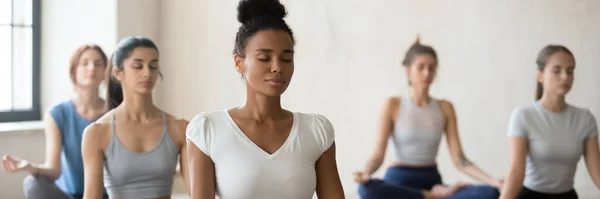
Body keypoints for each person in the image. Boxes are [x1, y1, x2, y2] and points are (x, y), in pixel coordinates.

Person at [185, 0, 345, 198]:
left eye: (286, 58)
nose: (277, 67)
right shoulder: (208, 130)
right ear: (238, 62)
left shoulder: (316, 129)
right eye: (264, 58)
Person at [354, 37, 502, 199]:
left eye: (432, 68)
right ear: (408, 70)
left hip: (431, 179)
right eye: (421, 67)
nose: (427, 73)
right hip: (398, 182)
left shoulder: (445, 108)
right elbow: (378, 155)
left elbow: (460, 160)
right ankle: (429, 196)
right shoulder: (393, 105)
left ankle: (428, 195)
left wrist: (494, 181)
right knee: (366, 189)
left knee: (490, 193)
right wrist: (365, 173)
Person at [81, 36, 190, 199]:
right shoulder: (97, 133)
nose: (147, 73)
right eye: (138, 66)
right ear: (118, 73)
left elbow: (198, 194)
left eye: (153, 67)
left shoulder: (180, 128)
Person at [1, 44, 109, 199]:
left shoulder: (114, 113)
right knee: (32, 183)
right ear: (73, 71)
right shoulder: (58, 113)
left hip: (106, 196)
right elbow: (54, 169)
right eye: (85, 63)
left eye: (98, 64)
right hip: (69, 196)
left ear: (106, 71)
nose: (92, 68)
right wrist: (30, 166)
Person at [500, 45, 600, 199]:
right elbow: (516, 172)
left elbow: (597, 173)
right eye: (557, 70)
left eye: (570, 71)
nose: (565, 77)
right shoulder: (523, 115)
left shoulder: (585, 118)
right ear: (540, 76)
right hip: (530, 195)